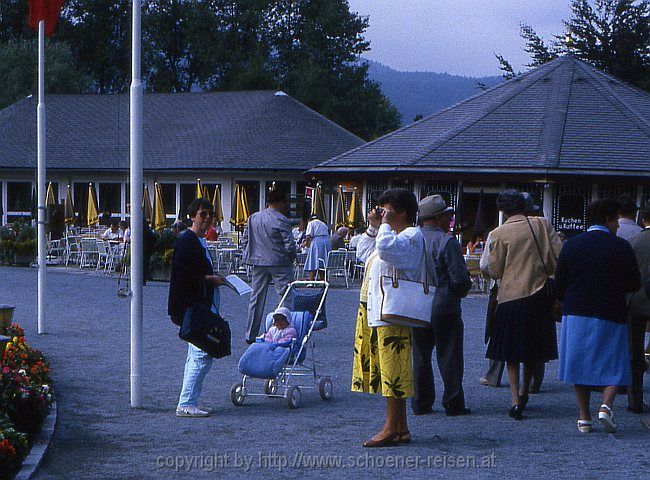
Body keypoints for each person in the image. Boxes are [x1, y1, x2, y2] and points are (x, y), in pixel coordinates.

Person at [556, 198, 641, 433]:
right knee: (615, 362)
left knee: (578, 364)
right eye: (616, 221)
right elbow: (634, 282)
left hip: (575, 310)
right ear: (608, 219)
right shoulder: (620, 247)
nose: (617, 226)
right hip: (610, 310)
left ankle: (584, 417)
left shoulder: (571, 245)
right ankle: (606, 405)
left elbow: (559, 282)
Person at [351, 189, 424, 447]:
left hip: (393, 312)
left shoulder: (411, 235)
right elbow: (363, 253)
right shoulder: (389, 235)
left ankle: (391, 427)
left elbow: (385, 249)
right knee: (388, 370)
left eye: (387, 208)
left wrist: (382, 227)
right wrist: (373, 228)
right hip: (378, 310)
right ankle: (400, 427)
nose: (382, 213)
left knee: (394, 371)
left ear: (402, 211)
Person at [485, 190, 562, 420]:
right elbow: (558, 255)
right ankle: (527, 390)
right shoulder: (542, 225)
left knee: (511, 352)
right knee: (533, 349)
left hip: (511, 295)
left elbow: (495, 269)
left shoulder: (499, 233)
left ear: (503, 210)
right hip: (539, 293)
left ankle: (515, 398)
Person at [412, 195, 473, 417]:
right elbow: (459, 279)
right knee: (449, 355)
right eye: (447, 215)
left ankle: (421, 401)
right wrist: (460, 292)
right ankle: (453, 401)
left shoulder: (412, 239)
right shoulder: (447, 242)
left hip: (417, 304)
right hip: (444, 303)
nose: (450, 218)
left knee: (420, 355)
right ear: (437, 218)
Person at [168, 198, 226, 417]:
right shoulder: (188, 241)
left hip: (200, 304)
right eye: (203, 214)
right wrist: (210, 279)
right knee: (203, 352)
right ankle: (186, 402)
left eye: (210, 214)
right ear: (192, 216)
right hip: (194, 305)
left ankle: (190, 400)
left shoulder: (197, 241)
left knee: (197, 353)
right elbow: (184, 277)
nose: (207, 218)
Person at [241, 189, 296, 344]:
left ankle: (250, 334)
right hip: (279, 262)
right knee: (285, 297)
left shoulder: (253, 218)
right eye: (285, 203)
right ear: (279, 202)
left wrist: (248, 256)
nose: (286, 206)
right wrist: (291, 258)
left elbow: (245, 240)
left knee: (256, 298)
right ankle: (285, 331)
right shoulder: (282, 219)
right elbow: (289, 245)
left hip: (258, 262)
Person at [626, 201, 650, 413]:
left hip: (636, 299)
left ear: (643, 219)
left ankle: (635, 399)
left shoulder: (633, 242)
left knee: (634, 350)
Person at [303, 215, 331, 281]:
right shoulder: (323, 224)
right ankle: (323, 279)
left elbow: (308, 236)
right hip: (326, 242)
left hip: (316, 243)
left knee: (313, 260)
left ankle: (311, 280)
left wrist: (306, 245)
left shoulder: (311, 223)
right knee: (323, 261)